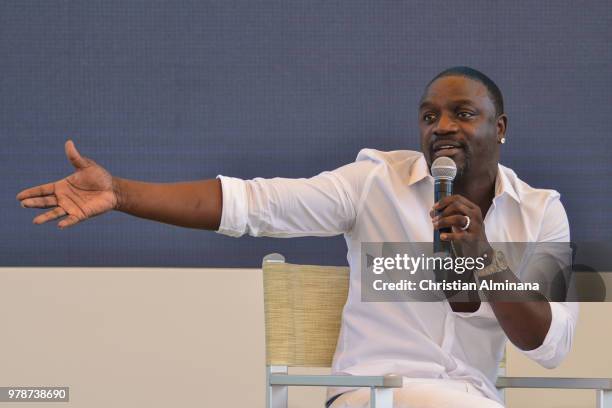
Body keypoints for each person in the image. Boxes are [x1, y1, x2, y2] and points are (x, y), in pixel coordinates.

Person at [17, 67, 577, 408]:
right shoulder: (374, 184)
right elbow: (253, 204)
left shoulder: (541, 213)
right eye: (429, 117)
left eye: (463, 113)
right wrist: (120, 192)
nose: (442, 128)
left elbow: (548, 345)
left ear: (499, 127)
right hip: (372, 393)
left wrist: (485, 259)